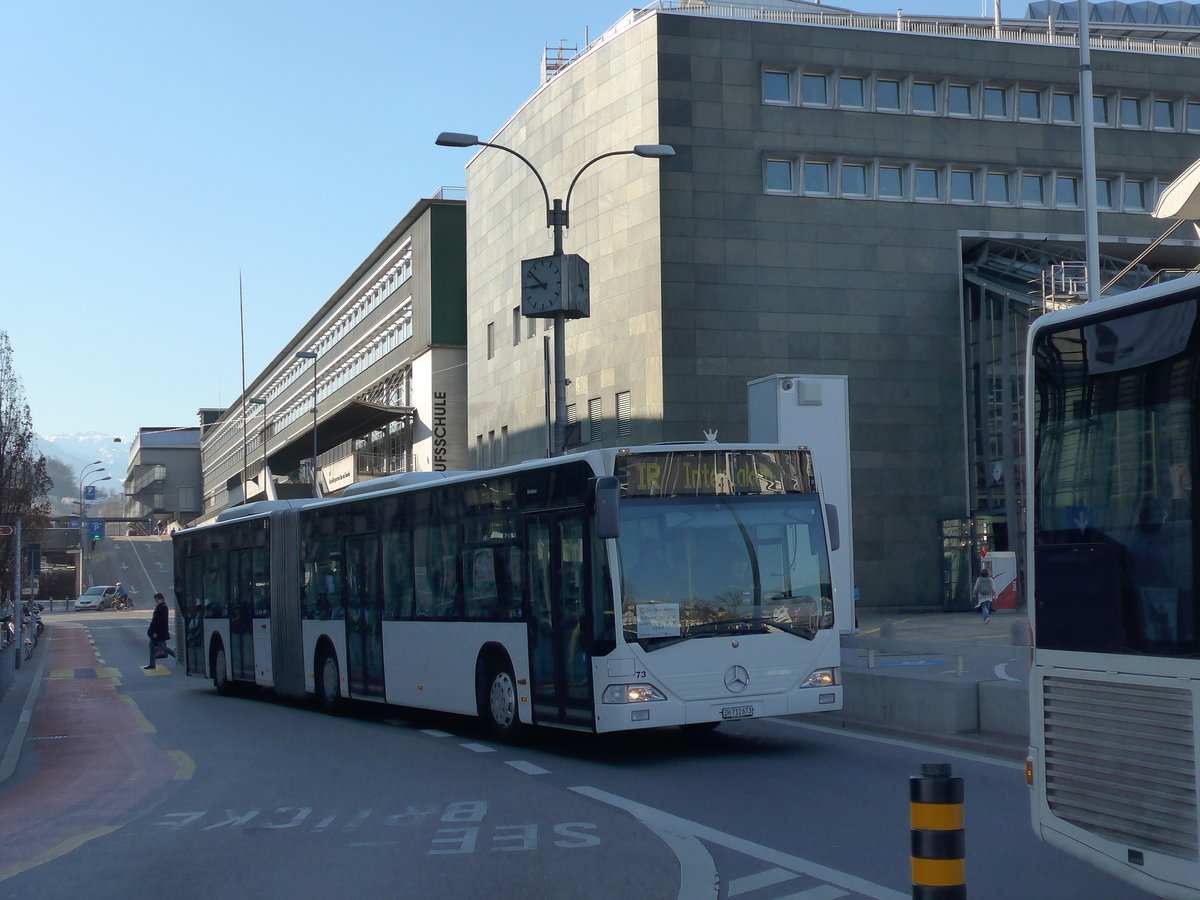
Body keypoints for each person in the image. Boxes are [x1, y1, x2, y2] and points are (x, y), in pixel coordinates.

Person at [145, 592, 176, 669]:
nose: (156, 601)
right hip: (157, 631)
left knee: (162, 647)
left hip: (159, 632)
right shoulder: (160, 606)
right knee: (152, 647)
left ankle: (177, 656)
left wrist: (155, 632)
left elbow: (160, 621)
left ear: (161, 599)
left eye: (156, 599)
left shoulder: (162, 607)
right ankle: (152, 665)